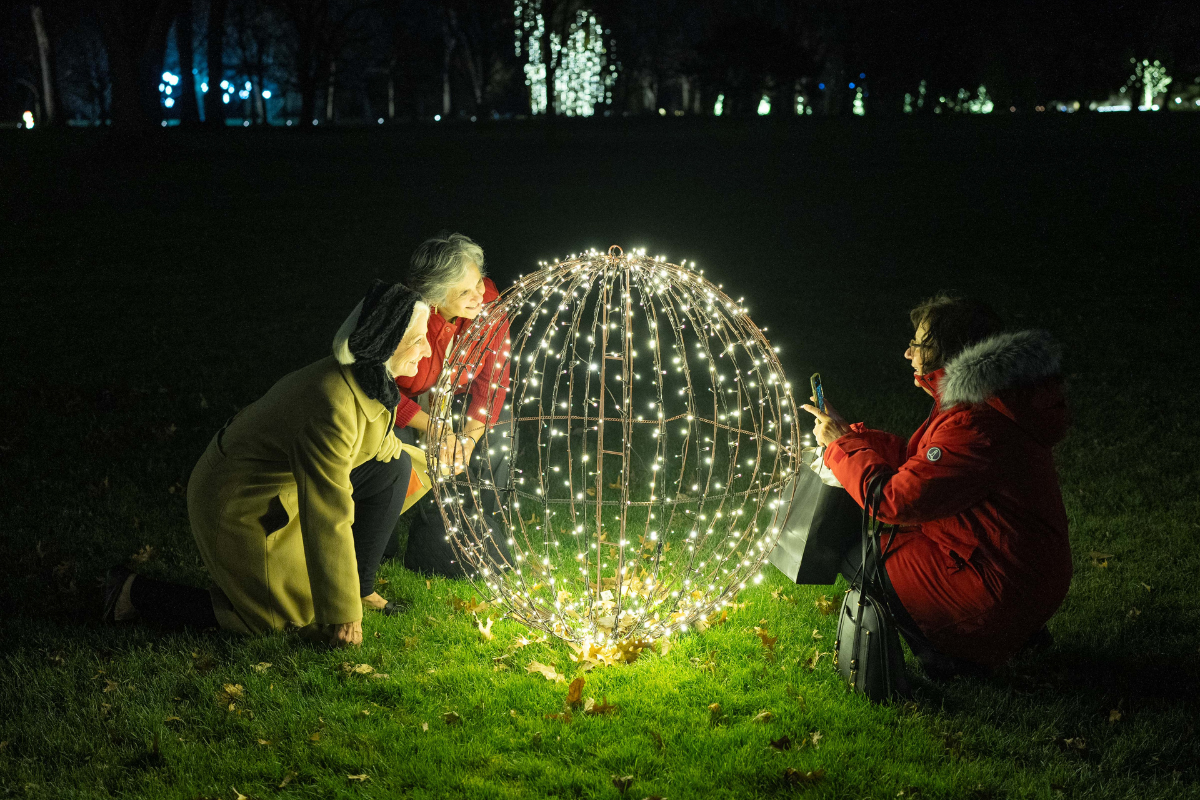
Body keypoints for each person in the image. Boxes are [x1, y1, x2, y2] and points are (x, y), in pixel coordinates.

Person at [103, 280, 433, 648]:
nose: (426, 349)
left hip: (284, 485)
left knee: (395, 470)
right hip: (237, 499)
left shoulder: (370, 378)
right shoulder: (333, 404)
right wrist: (340, 612)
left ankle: (359, 588)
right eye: (417, 339)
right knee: (278, 620)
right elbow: (327, 510)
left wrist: (434, 461)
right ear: (384, 339)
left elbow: (376, 442)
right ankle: (134, 593)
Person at [802, 295, 1072, 677]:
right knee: (886, 537)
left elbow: (891, 499)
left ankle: (952, 658)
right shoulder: (988, 400)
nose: (908, 353)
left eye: (918, 343)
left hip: (1000, 583)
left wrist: (841, 447)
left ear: (947, 351)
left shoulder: (976, 423)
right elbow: (920, 459)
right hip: (1022, 570)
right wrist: (848, 437)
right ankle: (1017, 636)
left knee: (861, 554)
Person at [382, 233, 513, 578]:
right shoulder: (404, 317)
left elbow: (492, 383)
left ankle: (475, 523)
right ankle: (381, 537)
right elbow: (378, 390)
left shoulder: (489, 305)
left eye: (478, 282)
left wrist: (467, 440)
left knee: (499, 430)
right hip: (399, 406)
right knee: (388, 450)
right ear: (435, 296)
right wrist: (434, 428)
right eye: (466, 291)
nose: (480, 295)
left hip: (456, 400)